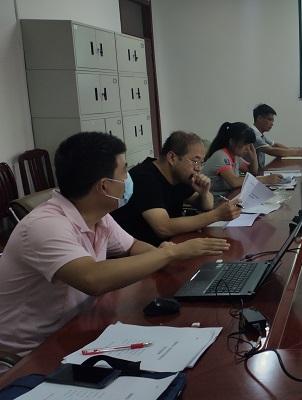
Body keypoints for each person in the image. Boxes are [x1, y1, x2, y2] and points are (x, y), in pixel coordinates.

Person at [0, 132, 230, 362]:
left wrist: (166, 255)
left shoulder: (99, 215)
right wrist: (171, 253)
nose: (129, 178)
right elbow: (92, 279)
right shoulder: (46, 225)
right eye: (124, 171)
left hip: (79, 330)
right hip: (30, 356)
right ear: (104, 186)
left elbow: (133, 246)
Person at [112, 131, 241, 246]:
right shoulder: (144, 177)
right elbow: (163, 228)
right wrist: (216, 215)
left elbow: (206, 206)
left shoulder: (179, 176)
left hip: (169, 244)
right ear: (172, 158)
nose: (198, 168)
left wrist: (204, 192)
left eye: (201, 162)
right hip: (140, 252)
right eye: (195, 161)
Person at [203, 122, 284, 196]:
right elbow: (234, 182)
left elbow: (252, 172)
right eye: (245, 144)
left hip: (228, 196)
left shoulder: (235, 156)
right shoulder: (221, 156)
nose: (247, 148)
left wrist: (254, 157)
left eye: (249, 145)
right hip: (215, 200)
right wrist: (264, 179)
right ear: (232, 142)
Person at [251, 103, 302, 169]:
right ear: (259, 118)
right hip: (253, 173)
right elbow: (271, 150)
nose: (272, 124)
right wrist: (297, 152)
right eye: (269, 119)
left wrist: (295, 150)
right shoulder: (253, 135)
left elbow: (275, 145)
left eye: (272, 121)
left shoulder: (260, 135)